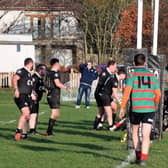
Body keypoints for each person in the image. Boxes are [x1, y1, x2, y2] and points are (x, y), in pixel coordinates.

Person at [119, 53, 161, 166]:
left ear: (134, 63)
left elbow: (126, 93)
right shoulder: (152, 76)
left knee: (135, 132)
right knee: (146, 135)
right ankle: (142, 159)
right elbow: (158, 93)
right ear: (145, 63)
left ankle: (138, 156)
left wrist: (122, 107)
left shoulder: (131, 75)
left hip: (136, 108)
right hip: (149, 108)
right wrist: (155, 103)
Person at [45, 58, 71, 136]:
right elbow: (57, 84)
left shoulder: (48, 73)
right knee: (54, 113)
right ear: (56, 64)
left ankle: (49, 131)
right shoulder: (55, 73)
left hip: (51, 94)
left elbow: (46, 83)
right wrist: (66, 88)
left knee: (56, 114)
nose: (60, 65)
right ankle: (49, 132)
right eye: (59, 64)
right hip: (54, 95)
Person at [93, 60, 122, 130]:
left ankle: (106, 123)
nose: (115, 69)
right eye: (115, 67)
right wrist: (103, 95)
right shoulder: (104, 73)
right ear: (111, 66)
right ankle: (96, 126)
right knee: (102, 111)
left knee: (114, 107)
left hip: (106, 94)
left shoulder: (111, 74)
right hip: (100, 94)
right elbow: (101, 85)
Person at [13, 57, 34, 141]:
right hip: (21, 95)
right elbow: (14, 78)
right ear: (30, 63)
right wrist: (16, 90)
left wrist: (32, 93)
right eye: (33, 64)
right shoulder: (22, 71)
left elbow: (28, 85)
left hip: (28, 96)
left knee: (27, 116)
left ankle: (24, 134)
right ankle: (18, 131)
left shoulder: (29, 73)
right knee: (26, 113)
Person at [29, 64, 47, 135]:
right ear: (40, 70)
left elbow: (39, 87)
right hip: (32, 99)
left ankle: (34, 130)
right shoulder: (35, 77)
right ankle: (31, 130)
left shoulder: (40, 78)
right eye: (44, 69)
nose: (45, 71)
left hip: (37, 100)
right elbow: (30, 86)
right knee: (33, 115)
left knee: (35, 115)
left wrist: (44, 90)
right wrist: (33, 93)